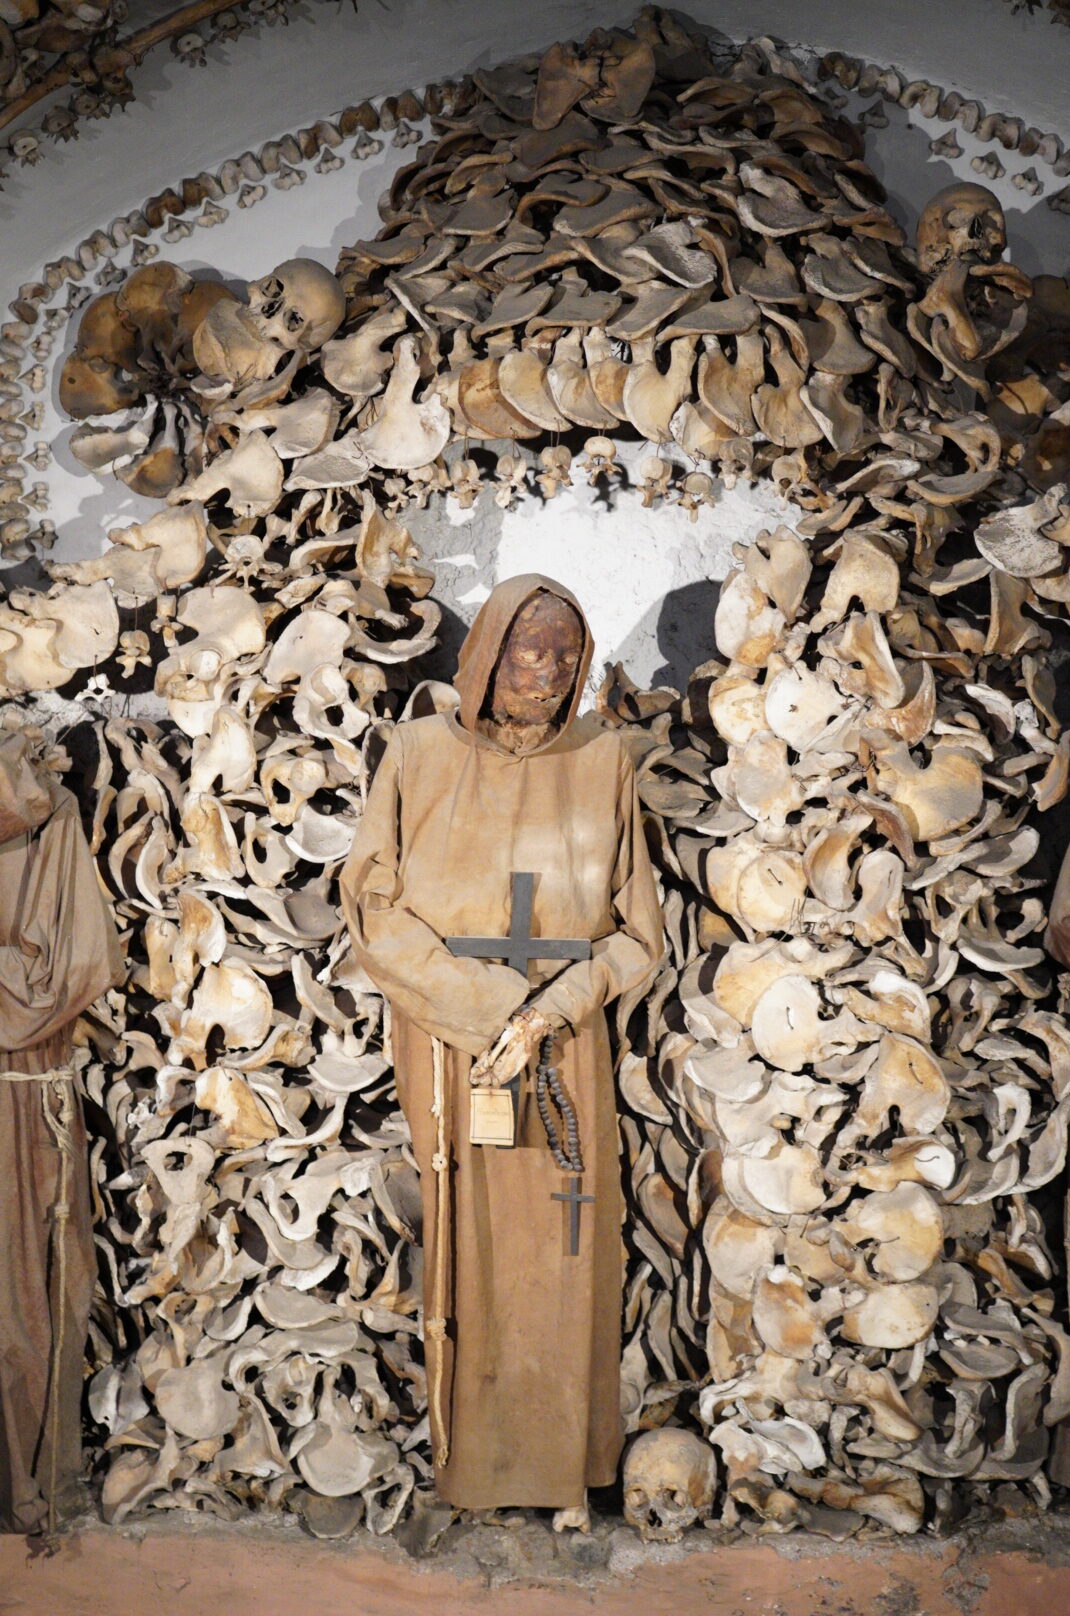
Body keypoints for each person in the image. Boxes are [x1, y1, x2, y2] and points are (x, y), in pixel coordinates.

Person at [340, 574, 663, 1524]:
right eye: (530, 650)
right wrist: (489, 1009)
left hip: (562, 1041)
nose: (549, 672)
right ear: (487, 654)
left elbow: (638, 935)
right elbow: (372, 907)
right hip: (451, 1038)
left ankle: (563, 1468)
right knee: (467, 1243)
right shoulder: (418, 754)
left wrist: (551, 1010)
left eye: (567, 654)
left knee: (566, 1245)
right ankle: (476, 1466)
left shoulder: (604, 761)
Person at [0, 730, 124, 1535]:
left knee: (22, 1300)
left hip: (21, 1102)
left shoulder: (49, 815)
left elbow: (67, 976)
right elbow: (60, 973)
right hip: (26, 1092)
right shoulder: (45, 810)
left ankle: (24, 1483)